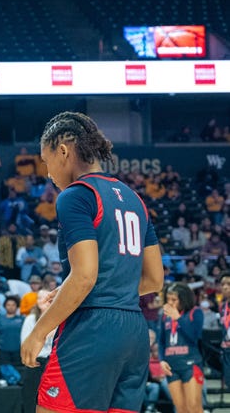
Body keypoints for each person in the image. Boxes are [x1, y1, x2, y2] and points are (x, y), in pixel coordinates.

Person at [20, 112, 164, 412]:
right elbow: (154, 281)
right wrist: (80, 290)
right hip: (133, 333)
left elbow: (84, 277)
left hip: (92, 329)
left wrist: (38, 332)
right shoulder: (134, 199)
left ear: (63, 151)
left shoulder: (76, 196)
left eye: (46, 161)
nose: (48, 173)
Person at [159, 282, 204, 413]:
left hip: (190, 364)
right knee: (180, 409)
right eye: (168, 299)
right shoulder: (164, 316)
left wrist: (178, 318)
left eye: (174, 299)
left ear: (183, 299)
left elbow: (194, 337)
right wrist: (162, 360)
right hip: (172, 366)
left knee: (193, 408)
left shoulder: (195, 312)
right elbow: (161, 342)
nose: (170, 303)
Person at [20, 288, 56, 413]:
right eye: (40, 298)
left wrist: (41, 337)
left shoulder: (59, 318)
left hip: (53, 363)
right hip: (35, 362)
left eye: (46, 297)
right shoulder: (30, 319)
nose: (43, 301)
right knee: (30, 397)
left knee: (52, 398)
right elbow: (25, 341)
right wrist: (45, 335)